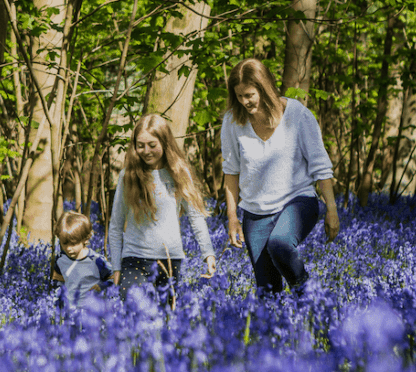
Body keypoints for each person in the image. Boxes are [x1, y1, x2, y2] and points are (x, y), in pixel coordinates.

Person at [221, 58, 339, 295]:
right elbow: (231, 173)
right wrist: (232, 217)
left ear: (264, 89)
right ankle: (280, 330)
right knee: (267, 292)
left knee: (280, 244)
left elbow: (321, 167)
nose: (244, 102)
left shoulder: (297, 115)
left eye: (249, 95)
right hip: (256, 213)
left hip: (297, 201)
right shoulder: (233, 122)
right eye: (239, 96)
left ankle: (309, 296)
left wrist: (332, 210)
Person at [108, 114, 217, 301]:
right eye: (140, 145)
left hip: (170, 261)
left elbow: (196, 217)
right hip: (134, 259)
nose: (145, 151)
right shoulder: (128, 176)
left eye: (152, 145)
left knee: (165, 321)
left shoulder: (179, 173)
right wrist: (116, 267)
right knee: (137, 316)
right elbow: (116, 226)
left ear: (164, 143)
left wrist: (208, 253)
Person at [50, 211, 113, 309]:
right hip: (69, 311)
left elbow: (113, 277)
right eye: (64, 243)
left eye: (73, 244)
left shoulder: (96, 260)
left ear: (85, 239)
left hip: (91, 313)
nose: (68, 248)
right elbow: (57, 282)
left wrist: (101, 286)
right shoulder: (60, 260)